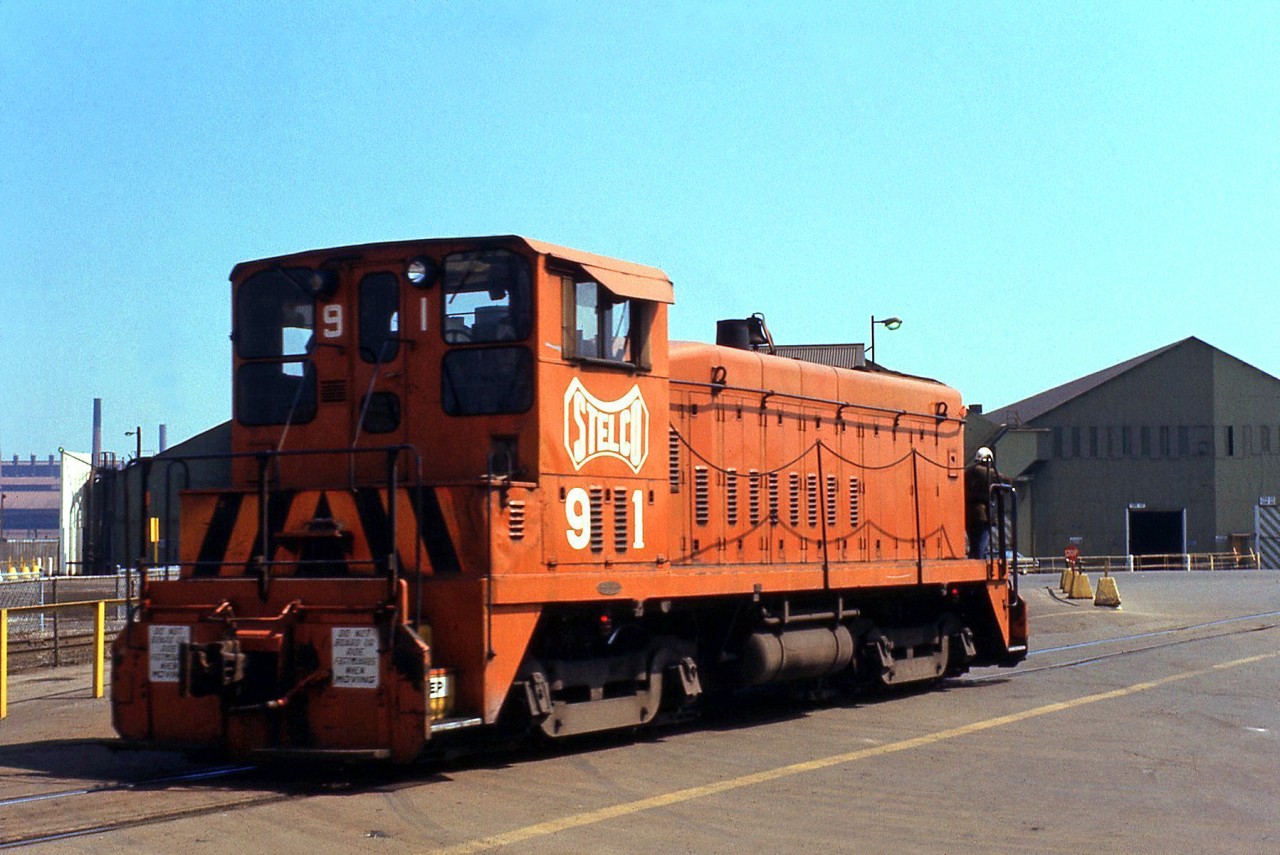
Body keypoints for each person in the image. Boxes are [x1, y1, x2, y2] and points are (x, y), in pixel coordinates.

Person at [964, 447, 1008, 558]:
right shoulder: (989, 473)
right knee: (981, 544)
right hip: (983, 515)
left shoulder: (967, 472)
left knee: (974, 544)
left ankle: (974, 560)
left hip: (968, 513)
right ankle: (978, 562)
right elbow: (1007, 481)